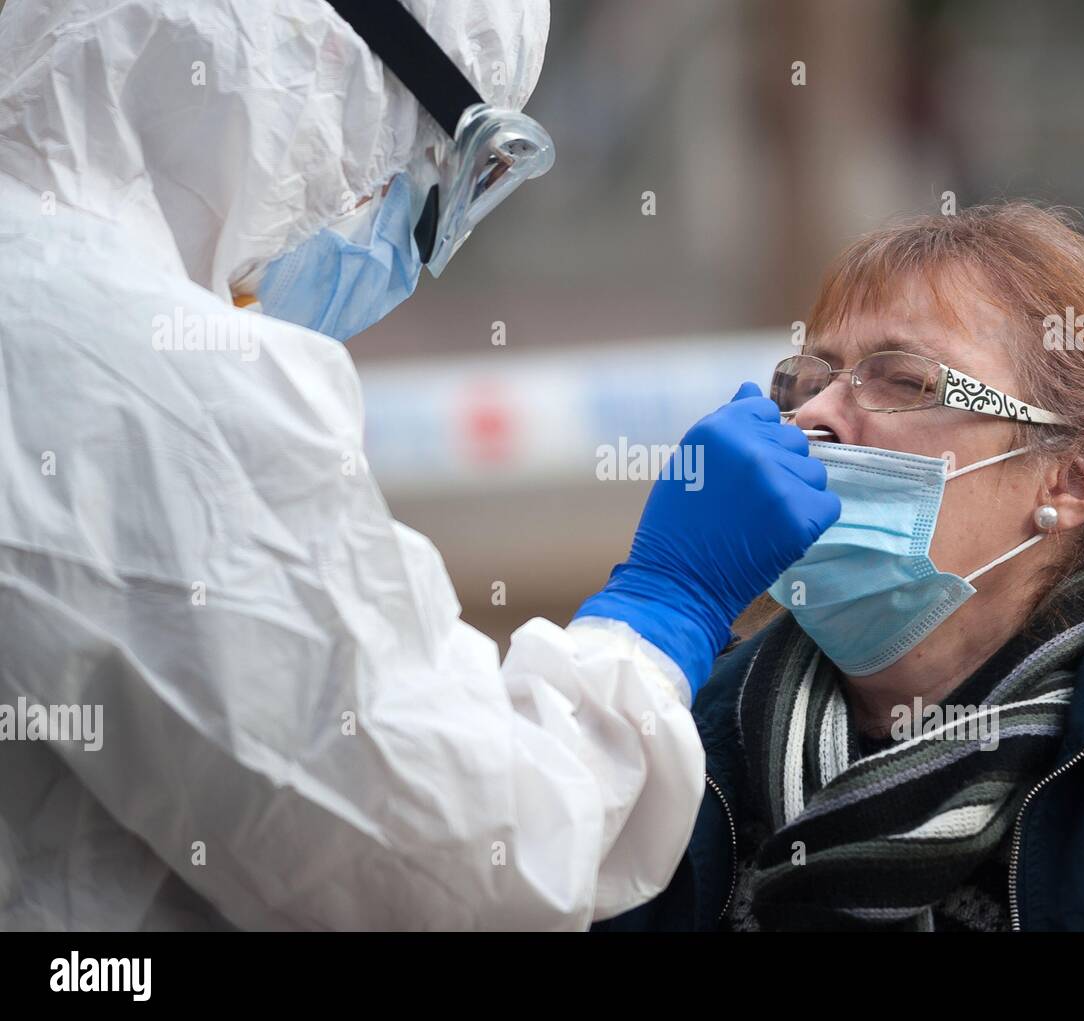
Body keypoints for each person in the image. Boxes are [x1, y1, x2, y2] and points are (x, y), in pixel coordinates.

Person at [0, 0, 839, 930]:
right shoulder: (148, 377)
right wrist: (661, 610)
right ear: (316, 69)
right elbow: (459, 851)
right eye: (446, 162)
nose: (409, 238)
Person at [597, 202, 1084, 932]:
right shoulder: (669, 736)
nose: (816, 417)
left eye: (901, 380)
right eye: (810, 381)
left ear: (1076, 476)